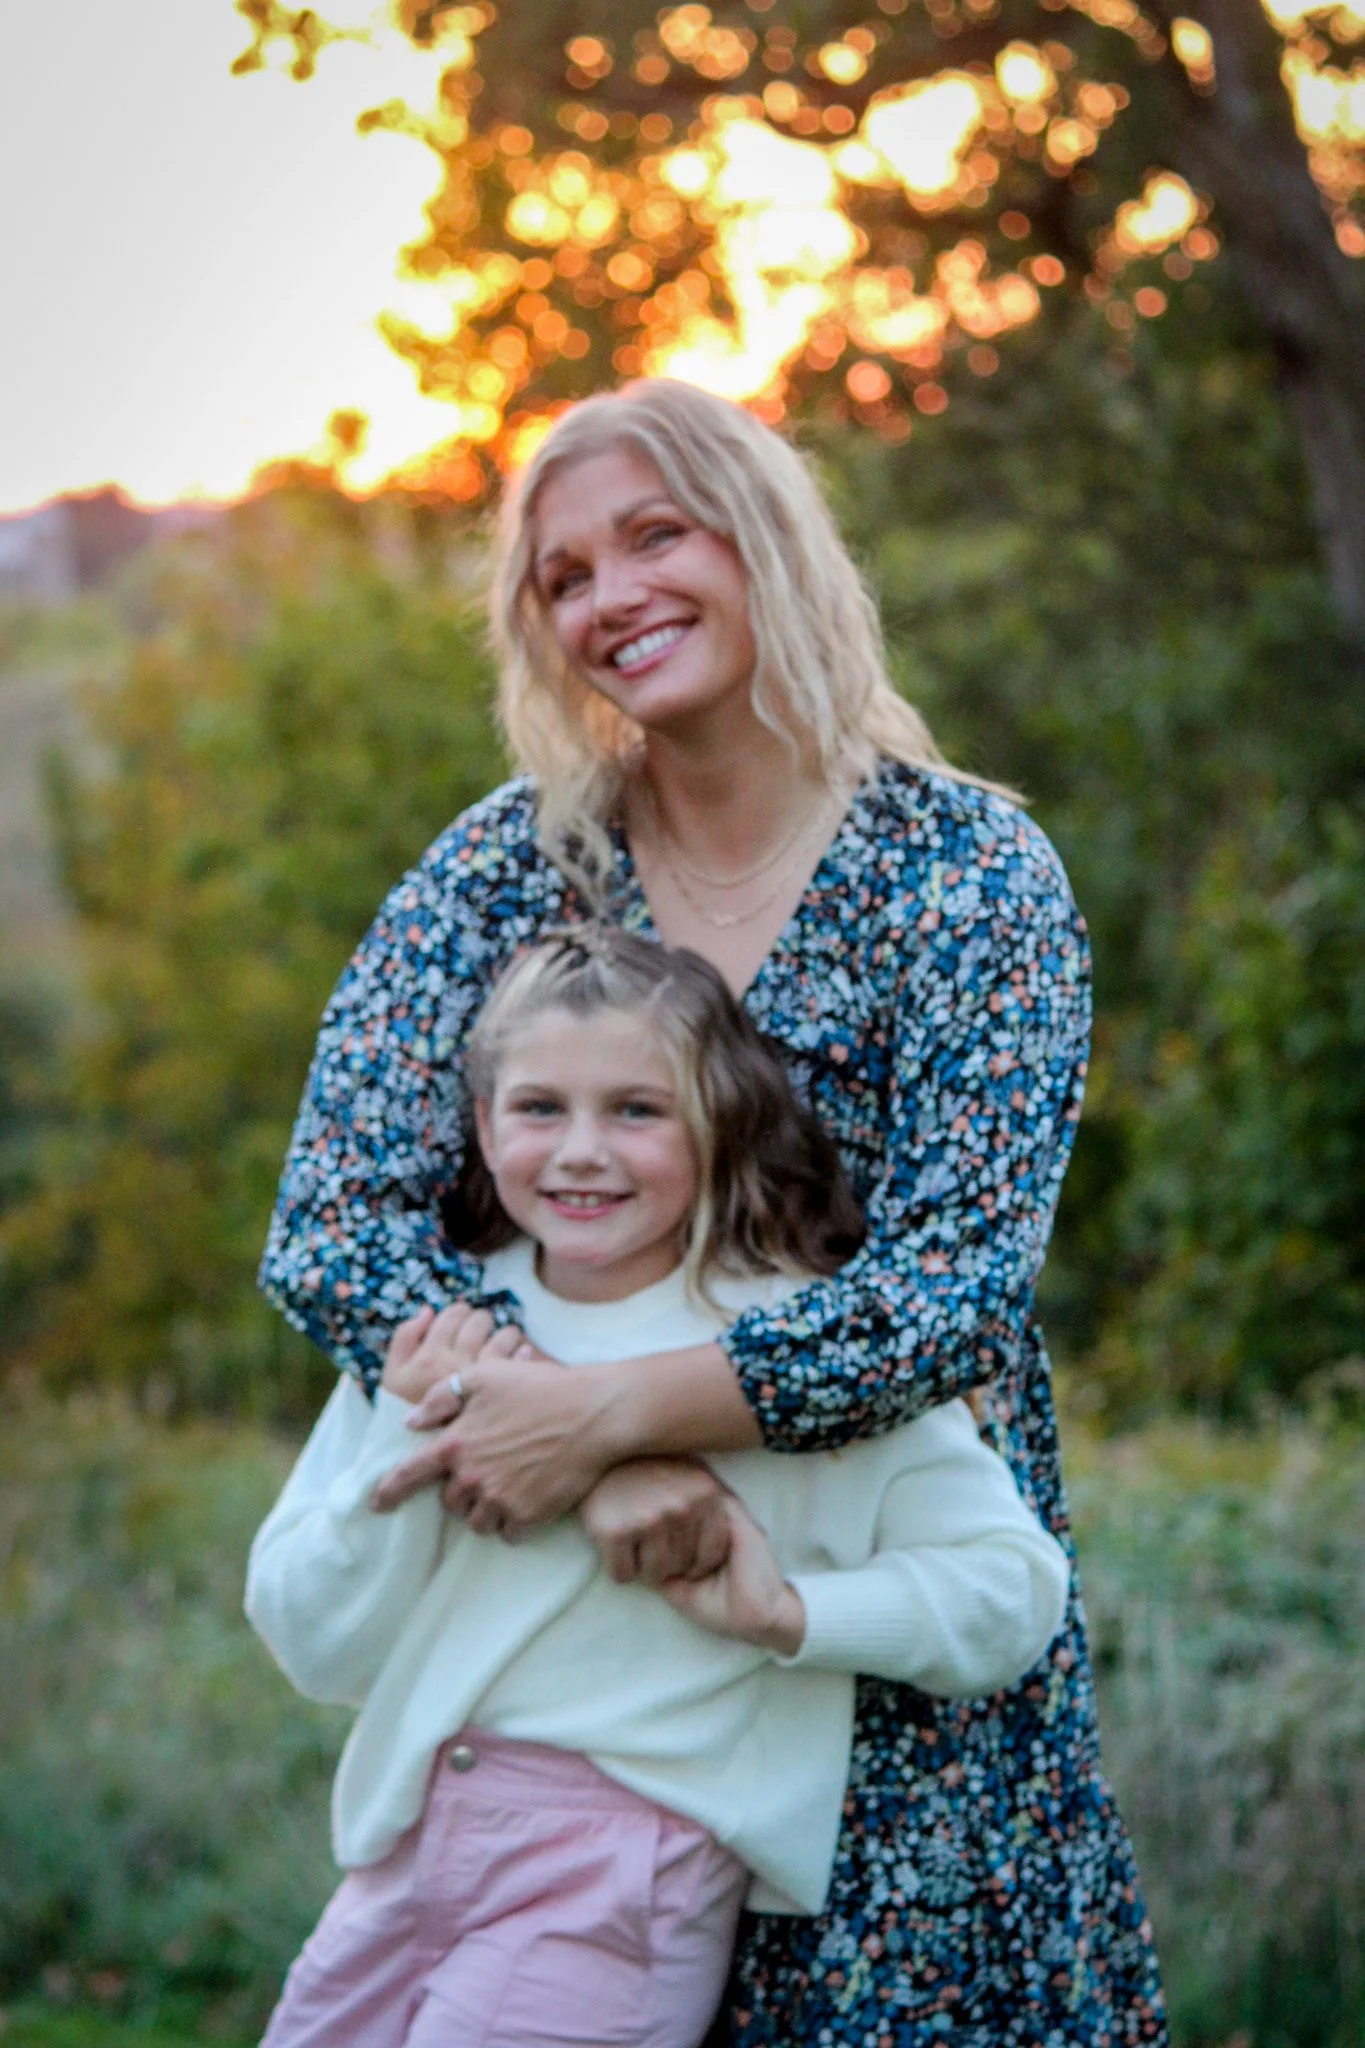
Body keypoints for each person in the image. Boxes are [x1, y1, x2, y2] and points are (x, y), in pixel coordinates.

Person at [260, 378, 1168, 2044]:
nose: (614, 599)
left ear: (763, 539)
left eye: (654, 536)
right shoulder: (500, 872)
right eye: (566, 577)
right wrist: (556, 1436)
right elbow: (329, 1222)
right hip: (577, 1681)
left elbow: (950, 1292)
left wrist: (604, 1422)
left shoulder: (971, 874)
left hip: (873, 1617)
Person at [247, 927, 1070, 2048]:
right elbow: (311, 1638)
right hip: (408, 1845)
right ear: (483, 1127)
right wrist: (415, 1423)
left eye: (637, 1109)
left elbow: (1013, 1589)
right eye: (540, 1107)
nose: (582, 1150)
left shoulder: (790, 1350)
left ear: (719, 1121)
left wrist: (794, 1615)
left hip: (620, 1868)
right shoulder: (446, 1329)